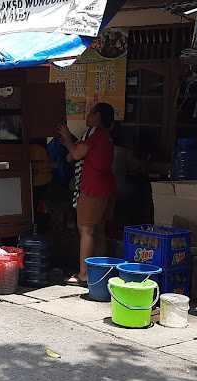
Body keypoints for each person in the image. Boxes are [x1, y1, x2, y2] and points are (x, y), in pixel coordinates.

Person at [59, 103, 117, 286]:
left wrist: (67, 137)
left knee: (86, 230)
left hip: (92, 188)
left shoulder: (95, 134)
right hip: (106, 188)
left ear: (97, 116)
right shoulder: (106, 137)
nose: (88, 115)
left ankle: (84, 274)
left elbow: (76, 154)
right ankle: (101, 273)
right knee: (99, 231)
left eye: (91, 112)